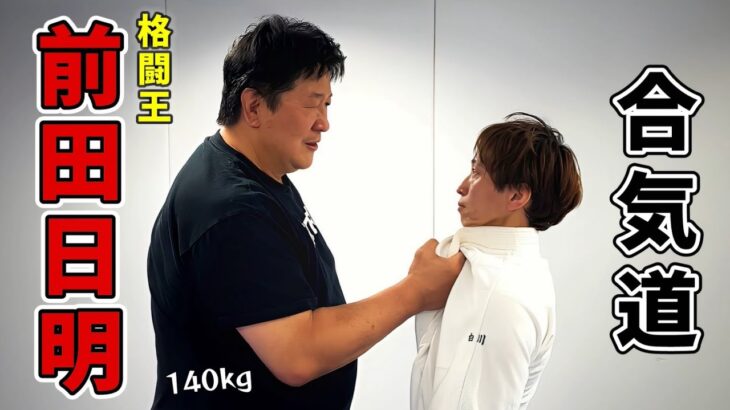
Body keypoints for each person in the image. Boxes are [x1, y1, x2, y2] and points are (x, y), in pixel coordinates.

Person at [146, 14, 465, 410]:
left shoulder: (258, 175)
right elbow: (297, 355)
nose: (324, 123)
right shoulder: (230, 209)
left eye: (327, 105)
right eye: (313, 104)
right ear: (254, 106)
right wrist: (416, 291)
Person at [411, 113, 583, 410]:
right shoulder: (497, 271)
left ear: (516, 196)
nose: (462, 186)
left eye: (477, 173)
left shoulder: (499, 291)